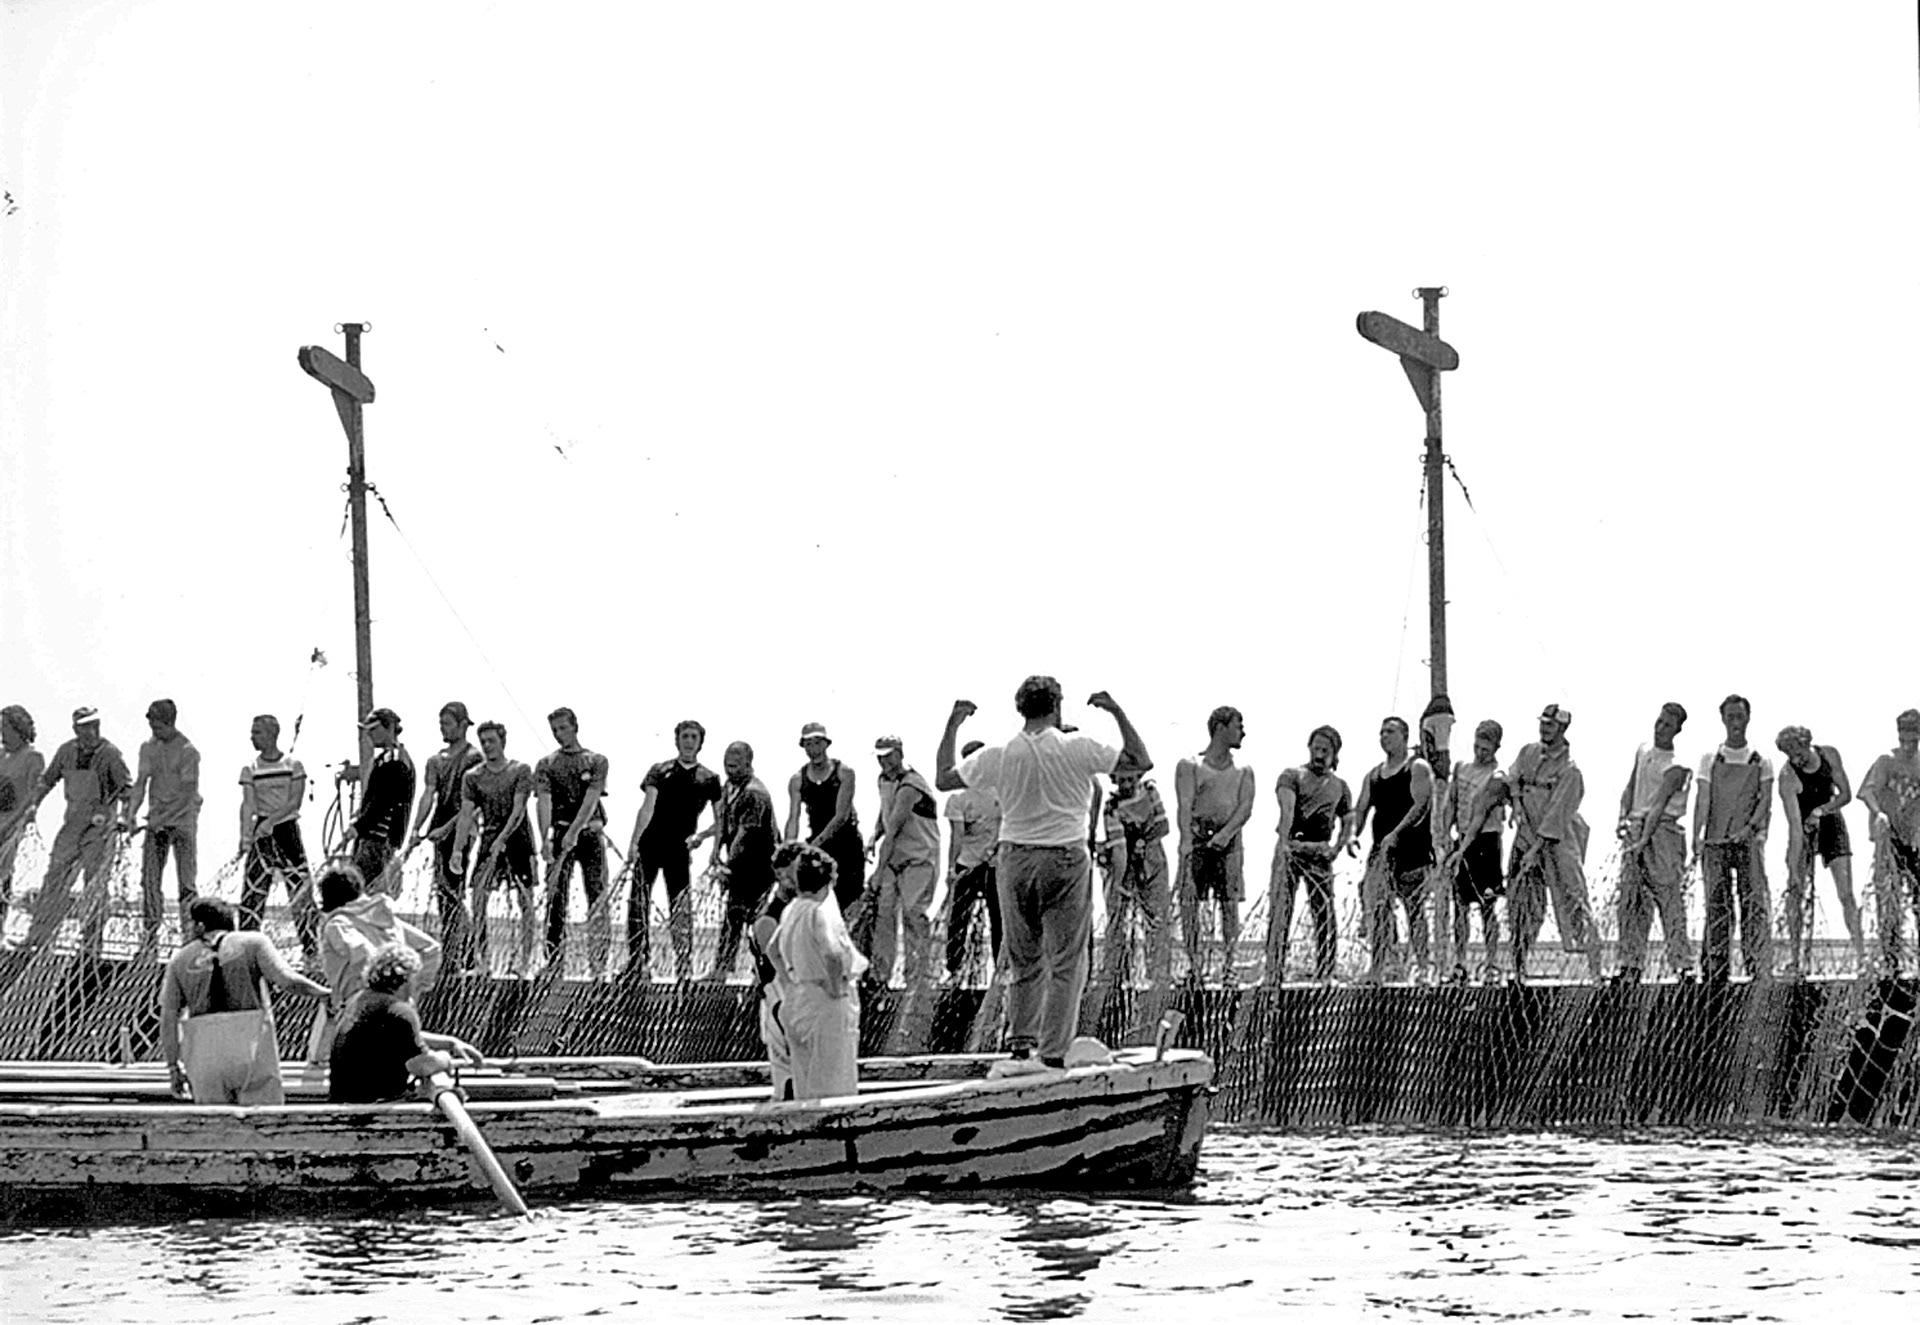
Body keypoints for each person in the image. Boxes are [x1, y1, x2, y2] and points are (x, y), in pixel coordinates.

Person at [936, 676, 1151, 1075]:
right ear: (1057, 707)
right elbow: (1139, 760)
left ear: (1021, 708)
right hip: (1065, 855)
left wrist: (953, 723)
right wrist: (1116, 711)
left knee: (1024, 957)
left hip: (1014, 856)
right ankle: (1052, 1052)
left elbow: (945, 778)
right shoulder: (1076, 748)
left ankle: (1020, 1044)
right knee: (1067, 960)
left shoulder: (1000, 754)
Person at [1467, 704, 1601, 984]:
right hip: (1526, 834)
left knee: (1574, 900)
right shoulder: (1528, 752)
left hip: (1558, 842)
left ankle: (1595, 969)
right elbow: (1511, 777)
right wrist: (1515, 803)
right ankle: (1519, 969)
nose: (1544, 729)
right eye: (1543, 723)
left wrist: (1535, 851)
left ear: (1563, 729)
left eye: (1550, 725)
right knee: (1522, 906)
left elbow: (1556, 817)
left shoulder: (1570, 771)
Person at [158, 897, 329, 1105]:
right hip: (251, 1050)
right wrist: (323, 993)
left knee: (213, 1129)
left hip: (205, 1058)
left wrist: (173, 1067)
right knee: (265, 1123)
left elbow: (168, 1018)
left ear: (200, 926)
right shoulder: (253, 943)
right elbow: (286, 980)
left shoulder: (179, 960)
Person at [18, 707, 131, 953]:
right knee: (54, 880)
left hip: (99, 830)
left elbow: (127, 790)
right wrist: (33, 806)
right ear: (76, 729)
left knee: (95, 886)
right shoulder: (66, 751)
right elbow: (47, 781)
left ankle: (91, 944)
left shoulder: (111, 755)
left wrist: (124, 817)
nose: (89, 732)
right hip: (72, 824)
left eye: (93, 726)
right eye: (83, 727)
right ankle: (38, 937)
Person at [623, 720, 723, 979]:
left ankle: (683, 963)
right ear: (676, 740)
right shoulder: (660, 770)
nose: (689, 741)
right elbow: (647, 807)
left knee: (680, 907)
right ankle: (637, 963)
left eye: (693, 737)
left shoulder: (709, 778)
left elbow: (722, 818)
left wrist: (706, 839)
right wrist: (634, 842)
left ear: (700, 742)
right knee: (638, 902)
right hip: (650, 843)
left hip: (680, 848)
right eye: (684, 736)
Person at [313, 861, 442, 1061]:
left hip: (355, 1013)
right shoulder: (385, 918)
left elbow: (361, 952)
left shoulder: (337, 924)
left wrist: (371, 987)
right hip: (399, 1007)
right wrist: (413, 990)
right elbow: (431, 949)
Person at [769, 839, 868, 1100]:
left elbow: (772, 950)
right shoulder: (817, 912)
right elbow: (832, 953)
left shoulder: (790, 910)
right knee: (834, 1084)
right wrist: (836, 989)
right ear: (827, 883)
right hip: (825, 1004)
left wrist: (790, 982)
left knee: (805, 1082)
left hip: (799, 998)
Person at [328, 943, 483, 1105]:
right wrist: (445, 1059)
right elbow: (420, 1065)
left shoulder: (359, 999)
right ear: (408, 977)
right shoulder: (400, 1011)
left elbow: (396, 1036)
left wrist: (450, 1042)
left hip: (343, 1099)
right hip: (375, 1104)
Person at [1692, 694, 1773, 984]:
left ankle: (1758, 965)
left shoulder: (1761, 760)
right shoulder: (1710, 759)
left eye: (1740, 716)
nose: (1735, 722)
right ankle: (1715, 968)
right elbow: (1702, 797)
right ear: (1723, 719)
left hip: (1747, 842)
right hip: (1715, 842)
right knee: (1716, 902)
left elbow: (1765, 799)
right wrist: (1697, 834)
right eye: (1730, 716)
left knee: (1753, 902)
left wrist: (1751, 828)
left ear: (1748, 718)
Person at [1613, 703, 1695, 984]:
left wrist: (1644, 839)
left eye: (1668, 725)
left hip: (1663, 832)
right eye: (1659, 722)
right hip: (1636, 827)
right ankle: (1630, 963)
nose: (1661, 728)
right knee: (1631, 901)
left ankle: (1682, 963)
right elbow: (1631, 787)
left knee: (1668, 897)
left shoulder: (1677, 766)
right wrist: (1623, 819)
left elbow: (1659, 805)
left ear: (1677, 730)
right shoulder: (1644, 750)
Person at [1349, 716, 1434, 982]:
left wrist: (1397, 833)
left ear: (1404, 736)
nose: (1384, 736)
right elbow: (1361, 809)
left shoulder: (1416, 767)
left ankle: (1422, 965)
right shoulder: (1373, 775)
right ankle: (1378, 967)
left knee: (1414, 909)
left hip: (1411, 848)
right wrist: (1353, 835)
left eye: (1390, 731)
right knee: (1379, 909)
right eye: (1382, 732)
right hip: (1382, 851)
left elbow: (1421, 805)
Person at [1175, 707, 1256, 984]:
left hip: (1229, 841)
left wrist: (1225, 834)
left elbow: (1246, 807)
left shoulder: (1244, 770)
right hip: (1198, 838)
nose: (1242, 732)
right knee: (1190, 903)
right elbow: (1185, 804)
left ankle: (1230, 964)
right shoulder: (1190, 765)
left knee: (1229, 903)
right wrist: (1186, 842)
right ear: (1221, 728)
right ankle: (1195, 966)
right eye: (1238, 725)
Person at [453, 721, 539, 976]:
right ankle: (483, 960)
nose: (488, 746)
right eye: (484, 742)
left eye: (492, 741)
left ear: (502, 741)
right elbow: (466, 814)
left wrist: (504, 837)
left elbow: (518, 808)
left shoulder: (520, 770)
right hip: (489, 839)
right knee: (478, 895)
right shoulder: (473, 777)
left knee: (525, 899)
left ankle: (526, 961)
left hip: (518, 840)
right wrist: (458, 850)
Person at [1269, 726, 1353, 985]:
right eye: (1316, 748)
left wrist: (1337, 848)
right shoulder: (1292, 775)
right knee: (1280, 910)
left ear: (1334, 753)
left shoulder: (1340, 786)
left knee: (1324, 912)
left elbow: (1348, 819)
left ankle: (1326, 971)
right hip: (1292, 846)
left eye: (1325, 750)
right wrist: (1284, 843)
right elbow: (1287, 810)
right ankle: (1273, 971)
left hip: (1320, 852)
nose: (1319, 754)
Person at [1776, 725, 1863, 973]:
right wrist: (1793, 865)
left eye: (1797, 751)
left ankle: (1861, 955)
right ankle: (1797, 958)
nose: (1795, 758)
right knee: (1795, 893)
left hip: (1831, 823)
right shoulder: (1787, 778)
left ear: (1806, 743)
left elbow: (1845, 794)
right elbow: (1794, 826)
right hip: (1803, 830)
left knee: (1846, 893)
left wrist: (1820, 811)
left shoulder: (1829, 755)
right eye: (1788, 754)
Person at [236, 714, 319, 960]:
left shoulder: (294, 765)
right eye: (252, 733)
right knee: (253, 891)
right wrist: (245, 835)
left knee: (300, 890)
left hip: (287, 830)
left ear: (272, 734)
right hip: (261, 832)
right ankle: (246, 948)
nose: (252, 737)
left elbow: (295, 801)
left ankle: (311, 949)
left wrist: (272, 822)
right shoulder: (250, 768)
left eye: (257, 732)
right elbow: (248, 804)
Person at [535, 706, 611, 972]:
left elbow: (591, 799)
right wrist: (545, 837)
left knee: (597, 895)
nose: (559, 734)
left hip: (589, 833)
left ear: (575, 726)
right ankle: (554, 960)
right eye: (554, 730)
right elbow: (544, 801)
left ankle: (599, 963)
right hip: (560, 834)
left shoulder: (596, 760)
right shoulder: (546, 764)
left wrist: (575, 831)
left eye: (563, 728)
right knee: (556, 897)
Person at [407, 702, 482, 969]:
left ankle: (464, 952)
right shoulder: (436, 759)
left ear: (463, 725)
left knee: (454, 889)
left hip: (462, 830)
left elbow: (473, 804)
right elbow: (429, 794)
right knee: (443, 891)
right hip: (439, 830)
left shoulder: (474, 758)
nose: (444, 730)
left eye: (448, 724)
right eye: (441, 725)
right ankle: (454, 951)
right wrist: (416, 828)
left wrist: (447, 828)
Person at [125, 698, 202, 956]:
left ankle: (189, 938)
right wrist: (131, 813)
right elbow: (141, 783)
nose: (155, 732)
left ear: (170, 723)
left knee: (186, 884)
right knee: (149, 880)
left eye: (158, 727)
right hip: (156, 821)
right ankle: (149, 938)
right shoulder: (148, 747)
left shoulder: (188, 751)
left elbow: (188, 792)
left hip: (182, 821)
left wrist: (164, 818)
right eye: (152, 727)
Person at [866, 736, 941, 988]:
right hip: (894, 857)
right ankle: (880, 975)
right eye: (880, 756)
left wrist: (877, 872)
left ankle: (917, 978)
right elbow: (885, 812)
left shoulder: (911, 785)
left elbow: (895, 827)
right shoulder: (884, 780)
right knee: (884, 915)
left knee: (913, 914)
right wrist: (872, 836)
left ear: (900, 753)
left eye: (888, 755)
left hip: (918, 857)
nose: (883, 761)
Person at [1440, 719, 1506, 983]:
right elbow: (1452, 802)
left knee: (1488, 905)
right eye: (1479, 743)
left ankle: (1491, 963)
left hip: (1486, 841)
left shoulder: (1498, 775)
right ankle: (1460, 962)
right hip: (1462, 843)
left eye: (1488, 745)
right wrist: (1446, 834)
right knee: (1460, 905)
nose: (1482, 749)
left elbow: (1490, 810)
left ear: (1496, 746)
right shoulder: (1462, 769)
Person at [1856, 709, 1920, 975]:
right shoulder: (1886, 762)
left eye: (1913, 739)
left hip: (1914, 841)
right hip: (1889, 840)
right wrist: (1878, 813)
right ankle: (1889, 958)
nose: (1908, 744)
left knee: (1917, 899)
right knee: (1889, 900)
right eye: (1904, 738)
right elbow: (1867, 791)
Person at [1100, 765, 1174, 993]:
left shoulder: (1150, 793)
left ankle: (1159, 973)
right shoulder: (1111, 807)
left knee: (1157, 917)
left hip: (1153, 859)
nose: (1126, 785)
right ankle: (1117, 973)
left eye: (1130, 779)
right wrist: (1119, 882)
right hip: (1124, 861)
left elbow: (1163, 825)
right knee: (1119, 917)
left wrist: (1143, 840)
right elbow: (1118, 846)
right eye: (1120, 780)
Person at [785, 723, 868, 922]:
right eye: (809, 745)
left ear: (826, 744)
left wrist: (813, 846)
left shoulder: (844, 773)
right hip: (817, 846)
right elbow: (793, 816)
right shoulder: (798, 779)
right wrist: (789, 849)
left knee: (849, 904)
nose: (814, 750)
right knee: (816, 903)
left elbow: (841, 816)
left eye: (817, 743)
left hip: (846, 846)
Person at [709, 741, 778, 981]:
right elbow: (725, 821)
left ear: (749, 762)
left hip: (760, 867)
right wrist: (711, 844)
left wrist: (726, 866)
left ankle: (763, 971)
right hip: (740, 864)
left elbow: (744, 834)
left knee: (756, 920)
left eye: (737, 758)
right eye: (728, 757)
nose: (731, 762)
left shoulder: (754, 793)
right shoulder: (729, 787)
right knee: (733, 918)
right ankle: (723, 969)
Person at [942, 741, 1004, 983]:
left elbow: (1009, 825)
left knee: (998, 918)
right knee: (958, 918)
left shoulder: (1001, 791)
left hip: (995, 865)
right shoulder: (958, 797)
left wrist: (995, 850)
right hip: (967, 865)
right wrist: (951, 868)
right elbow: (956, 836)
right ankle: (953, 969)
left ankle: (1000, 969)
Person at [752, 843, 806, 1101]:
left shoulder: (803, 910)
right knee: (788, 1077)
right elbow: (778, 967)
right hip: (779, 997)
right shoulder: (769, 919)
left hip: (796, 997)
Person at [347, 707, 415, 890]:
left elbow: (382, 804)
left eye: (374, 729)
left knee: (363, 894)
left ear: (389, 728)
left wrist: (358, 826)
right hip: (377, 838)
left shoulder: (394, 761)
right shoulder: (389, 758)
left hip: (378, 838)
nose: (370, 734)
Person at [0, 706, 45, 907]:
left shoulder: (33, 757)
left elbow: (32, 797)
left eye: (5, 728)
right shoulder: (1, 756)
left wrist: (10, 824)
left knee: (3, 872)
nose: (2, 734)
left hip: (11, 822)